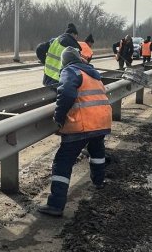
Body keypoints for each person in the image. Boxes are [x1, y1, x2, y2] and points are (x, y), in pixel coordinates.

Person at [38, 47, 111, 217]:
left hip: (83, 124)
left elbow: (66, 93)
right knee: (97, 152)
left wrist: (59, 117)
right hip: (101, 121)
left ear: (65, 61)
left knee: (62, 162)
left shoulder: (70, 71)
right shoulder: (93, 73)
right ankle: (99, 182)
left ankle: (56, 205)